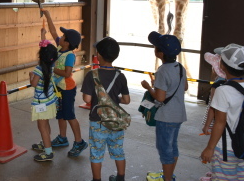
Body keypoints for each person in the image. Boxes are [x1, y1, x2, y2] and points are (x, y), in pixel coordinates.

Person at [200, 44, 244, 181]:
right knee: (240, 178)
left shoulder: (223, 90)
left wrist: (210, 148)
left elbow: (220, 122)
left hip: (226, 148)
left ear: (222, 66)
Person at [36, 9, 88, 157]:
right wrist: (47, 15)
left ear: (67, 42)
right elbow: (53, 31)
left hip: (67, 89)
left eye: (63, 36)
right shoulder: (60, 47)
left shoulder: (70, 55)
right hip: (58, 89)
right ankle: (62, 138)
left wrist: (51, 68)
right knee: (60, 114)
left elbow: (67, 73)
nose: (60, 37)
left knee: (69, 115)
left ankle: (79, 142)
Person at [81, 37, 130, 181]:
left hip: (98, 120)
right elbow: (126, 100)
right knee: (118, 150)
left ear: (99, 56)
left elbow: (87, 99)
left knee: (96, 153)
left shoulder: (92, 75)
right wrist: (113, 100)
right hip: (116, 121)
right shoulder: (120, 76)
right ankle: (120, 177)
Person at [141, 31, 188, 181]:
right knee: (172, 146)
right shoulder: (180, 67)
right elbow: (184, 87)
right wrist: (160, 86)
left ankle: (167, 179)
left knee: (164, 149)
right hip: (179, 114)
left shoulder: (162, 71)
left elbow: (160, 98)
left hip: (166, 117)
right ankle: (169, 175)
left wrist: (149, 87)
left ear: (159, 53)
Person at [29, 27, 59, 162]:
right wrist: (42, 35)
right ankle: (45, 143)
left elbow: (34, 84)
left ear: (41, 57)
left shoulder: (39, 69)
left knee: (42, 127)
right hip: (50, 102)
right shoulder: (51, 66)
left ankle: (48, 152)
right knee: (46, 125)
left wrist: (31, 76)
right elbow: (46, 51)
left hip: (41, 104)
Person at [201, 52, 227, 135]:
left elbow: (213, 107)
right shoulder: (229, 82)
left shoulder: (217, 85)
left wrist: (207, 125)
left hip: (217, 121)